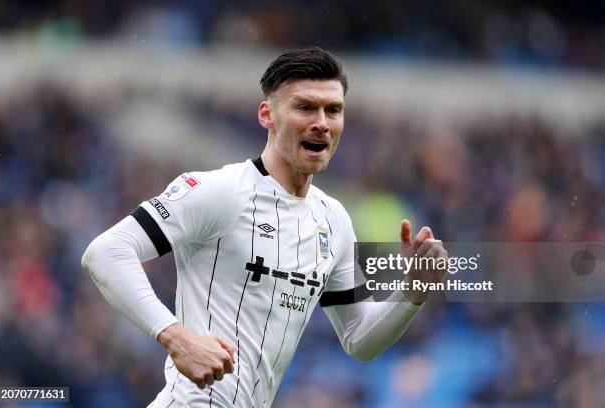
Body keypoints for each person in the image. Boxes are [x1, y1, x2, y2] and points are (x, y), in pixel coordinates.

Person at [81, 46, 447, 408]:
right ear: (266, 115)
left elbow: (359, 340)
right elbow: (107, 252)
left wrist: (411, 292)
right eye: (304, 107)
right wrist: (176, 338)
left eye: (332, 110)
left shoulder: (333, 221)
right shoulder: (221, 190)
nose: (321, 121)